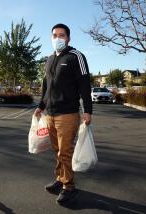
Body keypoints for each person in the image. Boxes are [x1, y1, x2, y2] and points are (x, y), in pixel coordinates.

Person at [34, 23, 92, 203]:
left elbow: (84, 85)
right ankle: (60, 179)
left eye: (62, 35)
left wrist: (87, 110)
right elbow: (46, 86)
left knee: (65, 152)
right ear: (51, 38)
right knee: (57, 150)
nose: (58, 38)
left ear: (68, 38)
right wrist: (41, 106)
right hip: (50, 114)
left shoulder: (76, 57)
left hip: (67, 114)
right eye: (54, 35)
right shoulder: (50, 59)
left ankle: (69, 187)